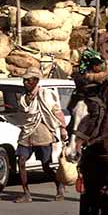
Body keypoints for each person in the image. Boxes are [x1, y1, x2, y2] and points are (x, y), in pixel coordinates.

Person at [15, 68, 68, 203]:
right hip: (27, 134)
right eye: (24, 80)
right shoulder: (23, 98)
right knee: (21, 161)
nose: (26, 82)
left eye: (29, 80)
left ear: (36, 81)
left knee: (46, 166)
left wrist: (63, 128)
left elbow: (56, 111)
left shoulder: (46, 95)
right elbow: (22, 115)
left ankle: (59, 186)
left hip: (43, 134)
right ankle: (26, 193)